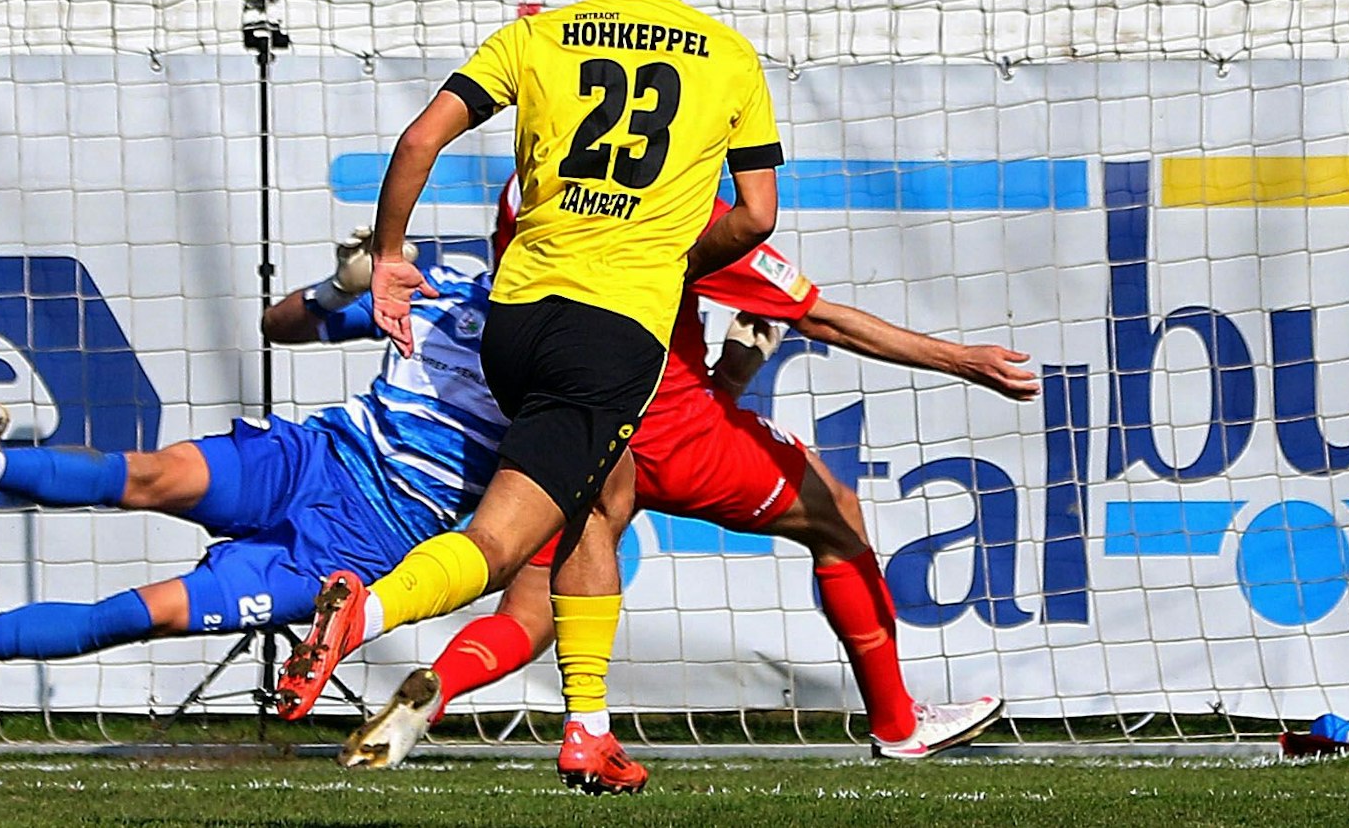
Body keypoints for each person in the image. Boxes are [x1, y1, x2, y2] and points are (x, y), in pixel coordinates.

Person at [273, 0, 783, 797]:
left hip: (520, 313)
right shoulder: (724, 53)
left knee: (597, 494)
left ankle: (587, 726)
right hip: (612, 325)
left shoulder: (538, 34)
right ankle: (365, 615)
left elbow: (423, 133)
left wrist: (386, 258)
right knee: (510, 536)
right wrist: (669, 252)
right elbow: (756, 215)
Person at [334, 183, 1039, 769]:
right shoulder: (680, 210)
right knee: (837, 516)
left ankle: (439, 688)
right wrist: (959, 360)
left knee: (527, 609)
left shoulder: (525, 189)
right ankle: (896, 722)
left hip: (575, 427)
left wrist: (726, 366)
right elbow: (821, 318)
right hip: (676, 433)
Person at [0, 234, 501, 676]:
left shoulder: (582, 365)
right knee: (147, 473)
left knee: (136, 615)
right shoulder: (443, 297)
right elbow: (279, 326)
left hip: (367, 538)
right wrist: (340, 289)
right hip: (314, 456)